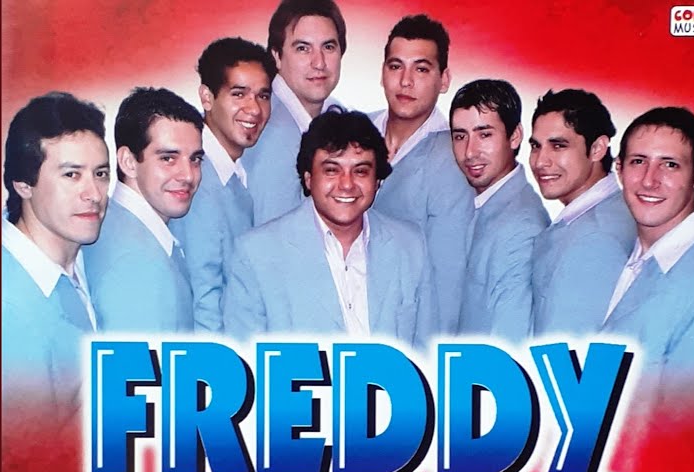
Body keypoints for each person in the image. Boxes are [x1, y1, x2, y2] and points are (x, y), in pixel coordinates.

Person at [223, 110, 437, 345]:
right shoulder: (256, 254)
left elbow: (425, 351)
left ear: (377, 181)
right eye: (332, 170)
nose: (347, 184)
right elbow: (246, 358)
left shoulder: (410, 245)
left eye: (360, 171)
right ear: (308, 178)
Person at [1, 92, 110, 420]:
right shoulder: (10, 307)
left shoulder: (84, 255)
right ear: (23, 184)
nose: (94, 194)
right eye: (71, 175)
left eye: (100, 174)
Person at [603, 106, 694, 408]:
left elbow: (687, 423)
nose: (649, 180)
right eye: (638, 161)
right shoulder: (614, 251)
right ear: (619, 168)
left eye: (670, 165)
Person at [369, 14, 474, 335]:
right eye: (396, 66)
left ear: (444, 80)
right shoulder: (357, 130)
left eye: (421, 69)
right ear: (383, 72)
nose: (406, 81)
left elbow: (446, 284)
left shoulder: (454, 156)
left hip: (403, 333)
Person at [168, 37, 277, 332]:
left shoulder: (231, 173)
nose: (254, 109)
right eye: (239, 94)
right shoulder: (196, 178)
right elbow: (204, 300)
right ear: (207, 97)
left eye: (263, 96)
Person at [84, 87, 204, 333]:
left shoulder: (112, 225)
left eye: (195, 159)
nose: (188, 175)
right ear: (128, 162)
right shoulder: (136, 262)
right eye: (168, 158)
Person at [528, 89, 636, 337]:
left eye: (558, 146)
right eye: (536, 146)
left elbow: (569, 349)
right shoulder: (610, 211)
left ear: (597, 148)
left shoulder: (595, 238)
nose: (540, 161)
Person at [449, 79, 549, 341]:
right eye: (460, 136)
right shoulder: (486, 204)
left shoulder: (520, 225)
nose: (469, 152)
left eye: (484, 134)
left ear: (515, 136)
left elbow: (509, 340)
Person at [243, 0, 349, 225]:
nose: (319, 63)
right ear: (277, 56)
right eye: (303, 48)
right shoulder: (270, 132)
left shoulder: (331, 113)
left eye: (328, 47)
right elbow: (272, 238)